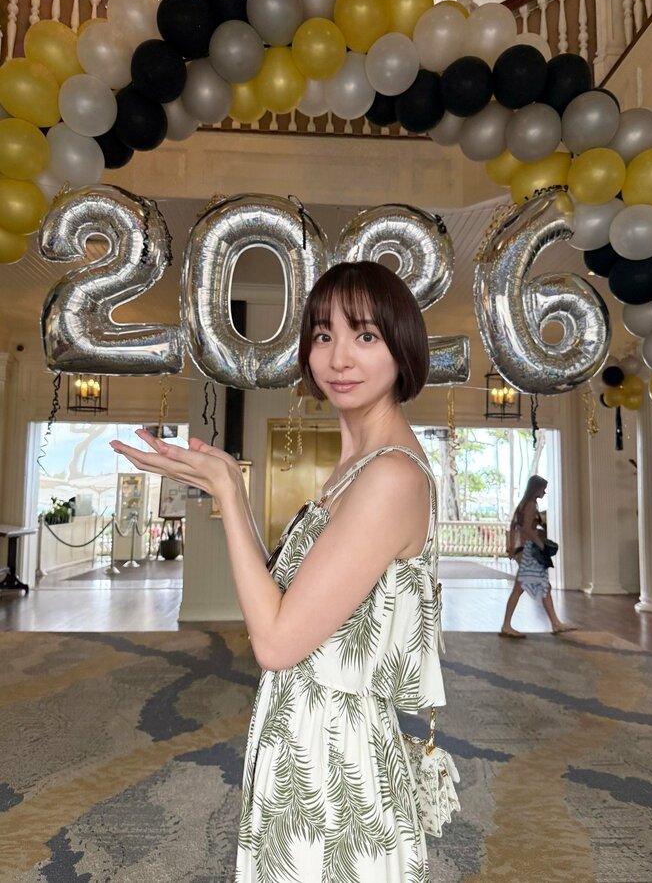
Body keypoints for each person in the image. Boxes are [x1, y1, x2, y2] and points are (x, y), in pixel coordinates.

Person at [110, 261, 447, 882]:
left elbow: (275, 642)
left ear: (402, 347)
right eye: (323, 336)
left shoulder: (390, 476)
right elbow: (290, 608)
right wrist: (226, 488)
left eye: (365, 335)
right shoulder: (356, 467)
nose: (339, 358)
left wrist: (228, 493)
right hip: (304, 741)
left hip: (335, 765)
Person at [500, 474, 577, 638]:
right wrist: (541, 545)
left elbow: (515, 526)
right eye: (543, 489)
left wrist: (512, 547)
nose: (544, 492)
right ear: (536, 489)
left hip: (524, 550)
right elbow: (527, 529)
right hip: (530, 551)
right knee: (522, 588)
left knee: (543, 587)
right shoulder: (530, 505)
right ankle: (507, 625)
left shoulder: (523, 504)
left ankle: (555, 623)